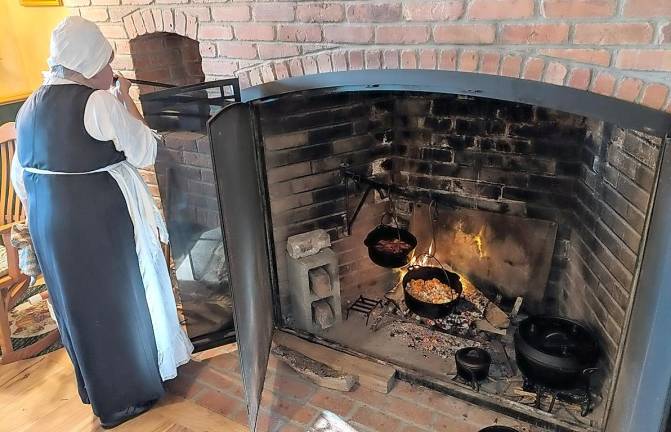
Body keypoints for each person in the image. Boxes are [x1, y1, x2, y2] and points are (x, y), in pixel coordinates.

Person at [11, 16, 193, 429]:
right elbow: (146, 151)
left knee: (78, 304)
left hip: (48, 221)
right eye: (108, 63)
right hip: (96, 219)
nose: (112, 71)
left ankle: (102, 392)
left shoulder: (28, 107)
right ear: (89, 60)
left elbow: (21, 179)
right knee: (119, 299)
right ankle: (131, 394)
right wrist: (126, 99)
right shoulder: (97, 102)